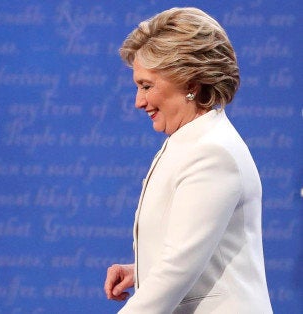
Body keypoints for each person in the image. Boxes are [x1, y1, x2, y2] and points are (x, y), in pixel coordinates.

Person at [104, 7, 272, 313]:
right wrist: (141, 270)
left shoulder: (212, 153)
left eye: (146, 86)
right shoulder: (191, 142)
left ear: (191, 84)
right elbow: (191, 253)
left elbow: (176, 268)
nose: (138, 101)